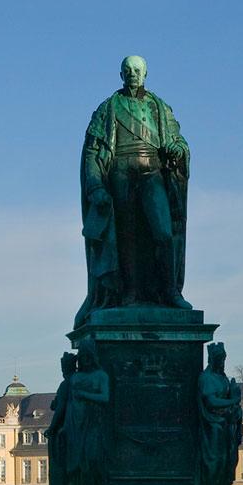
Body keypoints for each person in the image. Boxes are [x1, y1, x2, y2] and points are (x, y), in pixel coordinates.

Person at [75, 55, 192, 328]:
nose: (133, 74)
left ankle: (170, 292)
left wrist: (178, 149)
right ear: (121, 74)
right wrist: (95, 187)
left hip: (152, 172)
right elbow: (92, 152)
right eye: (128, 70)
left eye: (137, 70)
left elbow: (179, 140)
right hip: (119, 173)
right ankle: (127, 293)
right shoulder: (108, 108)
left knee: (163, 233)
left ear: (146, 73)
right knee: (125, 238)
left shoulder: (160, 108)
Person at [64, 339, 112, 485]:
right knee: (76, 462)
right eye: (81, 357)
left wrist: (85, 394)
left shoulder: (101, 376)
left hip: (94, 424)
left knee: (93, 459)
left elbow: (105, 397)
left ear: (93, 356)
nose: (84, 360)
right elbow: (69, 403)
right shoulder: (76, 377)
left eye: (87, 356)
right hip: (76, 425)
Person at [197, 342, 243, 485]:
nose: (222, 363)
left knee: (228, 460)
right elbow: (211, 401)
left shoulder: (222, 378)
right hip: (213, 427)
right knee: (214, 459)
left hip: (226, 425)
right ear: (212, 360)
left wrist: (233, 390)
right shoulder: (206, 378)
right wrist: (233, 399)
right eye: (220, 360)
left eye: (224, 359)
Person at [44, 352, 77, 485]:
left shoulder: (67, 384)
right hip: (77, 426)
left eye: (63, 366)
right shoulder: (78, 382)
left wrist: (51, 429)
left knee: (60, 466)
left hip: (67, 430)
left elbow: (60, 408)